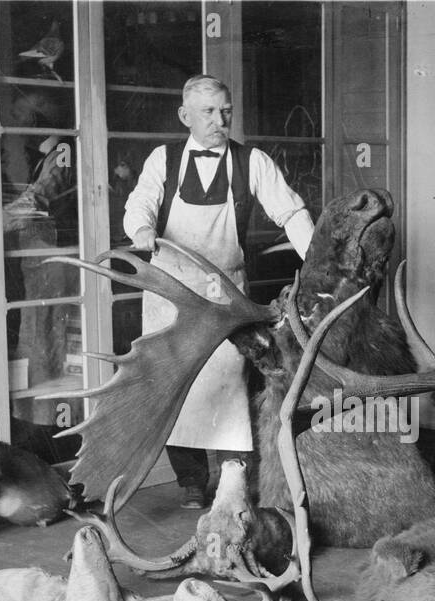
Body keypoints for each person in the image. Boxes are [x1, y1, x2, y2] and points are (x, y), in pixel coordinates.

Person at [124, 75, 316, 509]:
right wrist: (141, 229)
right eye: (208, 112)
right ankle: (191, 481)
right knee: (175, 384)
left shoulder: (253, 162)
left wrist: (316, 260)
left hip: (226, 290)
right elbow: (140, 202)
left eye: (226, 111)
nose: (220, 121)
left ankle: (233, 478)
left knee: (230, 382)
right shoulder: (163, 160)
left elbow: (292, 212)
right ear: (185, 115)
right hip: (170, 290)